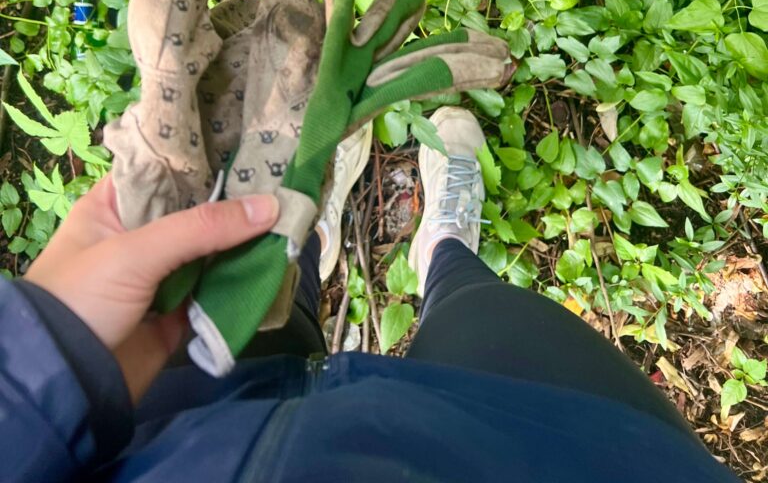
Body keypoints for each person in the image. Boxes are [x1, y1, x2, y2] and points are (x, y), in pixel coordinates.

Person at [1, 108, 737, 482]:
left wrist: (45, 366)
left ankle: (306, 229)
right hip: (532, 459)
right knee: (482, 313)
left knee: (258, 299)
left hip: (153, 441)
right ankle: (443, 251)